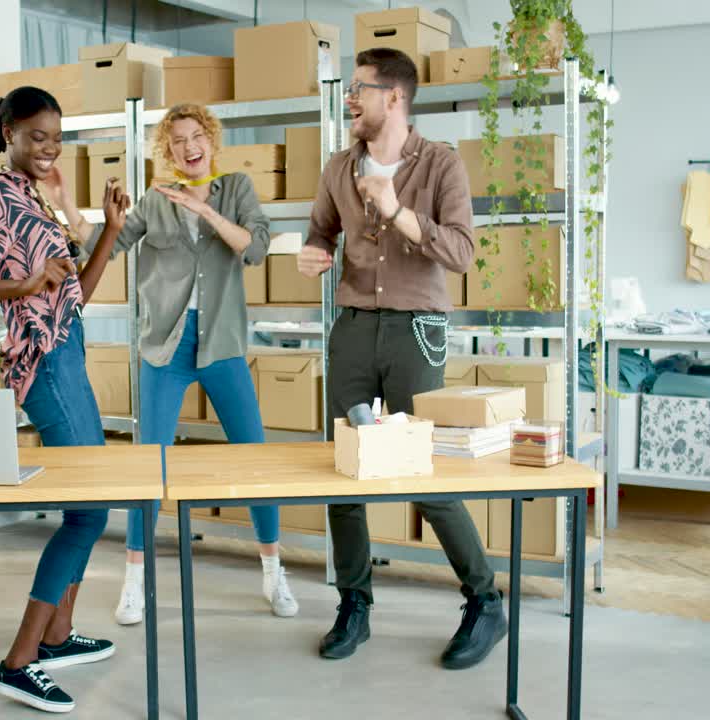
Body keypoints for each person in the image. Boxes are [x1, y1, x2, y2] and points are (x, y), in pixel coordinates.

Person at [298, 48, 509, 668]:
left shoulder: (441, 164)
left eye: (359, 89)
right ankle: (354, 603)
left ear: (394, 97)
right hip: (355, 328)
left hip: (419, 330)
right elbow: (321, 232)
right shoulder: (339, 166)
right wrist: (314, 252)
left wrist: (397, 211)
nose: (350, 100)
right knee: (346, 473)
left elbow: (463, 252)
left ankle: (485, 602)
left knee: (426, 475)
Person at [54, 103, 299, 625]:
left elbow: (254, 248)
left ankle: (273, 572)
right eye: (178, 141)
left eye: (196, 136)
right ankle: (135, 581)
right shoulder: (154, 201)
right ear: (166, 153)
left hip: (222, 344)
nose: (189, 147)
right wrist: (70, 210)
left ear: (210, 140)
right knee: (150, 466)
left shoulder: (235, 189)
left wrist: (207, 211)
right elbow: (108, 245)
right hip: (164, 347)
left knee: (254, 458)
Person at [0, 85, 130, 714]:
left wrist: (110, 229)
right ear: (9, 133)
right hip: (45, 364)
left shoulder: (38, 201)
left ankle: (56, 635)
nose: (49, 148)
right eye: (36, 137)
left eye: (56, 137)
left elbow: (78, 292)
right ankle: (19, 661)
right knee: (88, 514)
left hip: (69, 350)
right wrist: (21, 282)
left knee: (92, 499)